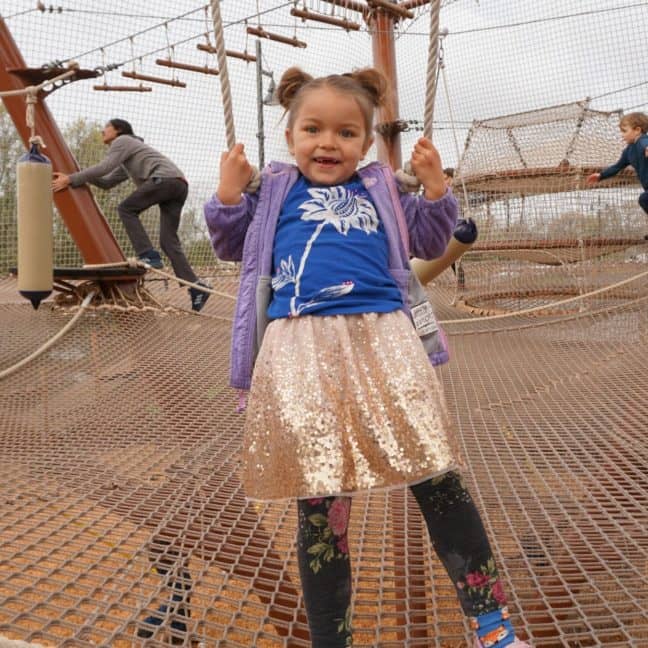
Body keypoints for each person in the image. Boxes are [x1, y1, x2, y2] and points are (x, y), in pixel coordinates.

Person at [203, 67, 530, 648]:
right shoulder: (274, 191)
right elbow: (233, 247)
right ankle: (333, 638)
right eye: (313, 129)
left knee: (438, 476)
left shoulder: (380, 188)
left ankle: (491, 622)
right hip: (299, 353)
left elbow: (429, 242)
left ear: (367, 141)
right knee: (321, 504)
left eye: (347, 133)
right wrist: (228, 194)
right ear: (290, 136)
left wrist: (436, 191)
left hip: (385, 343)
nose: (328, 143)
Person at [52, 118, 211, 311]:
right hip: (178, 184)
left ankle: (148, 255)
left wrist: (71, 179)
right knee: (168, 241)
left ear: (118, 130)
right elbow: (107, 182)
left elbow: (104, 167)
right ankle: (197, 288)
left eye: (106, 127)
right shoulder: (131, 153)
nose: (103, 132)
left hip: (165, 180)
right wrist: (82, 178)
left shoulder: (123, 141)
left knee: (126, 209)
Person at [587, 111, 648, 230]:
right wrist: (601, 175)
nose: (622, 135)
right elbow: (617, 167)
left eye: (625, 131)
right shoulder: (628, 151)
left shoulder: (642, 141)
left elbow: (646, 144)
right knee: (644, 199)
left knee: (644, 199)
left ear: (637, 130)